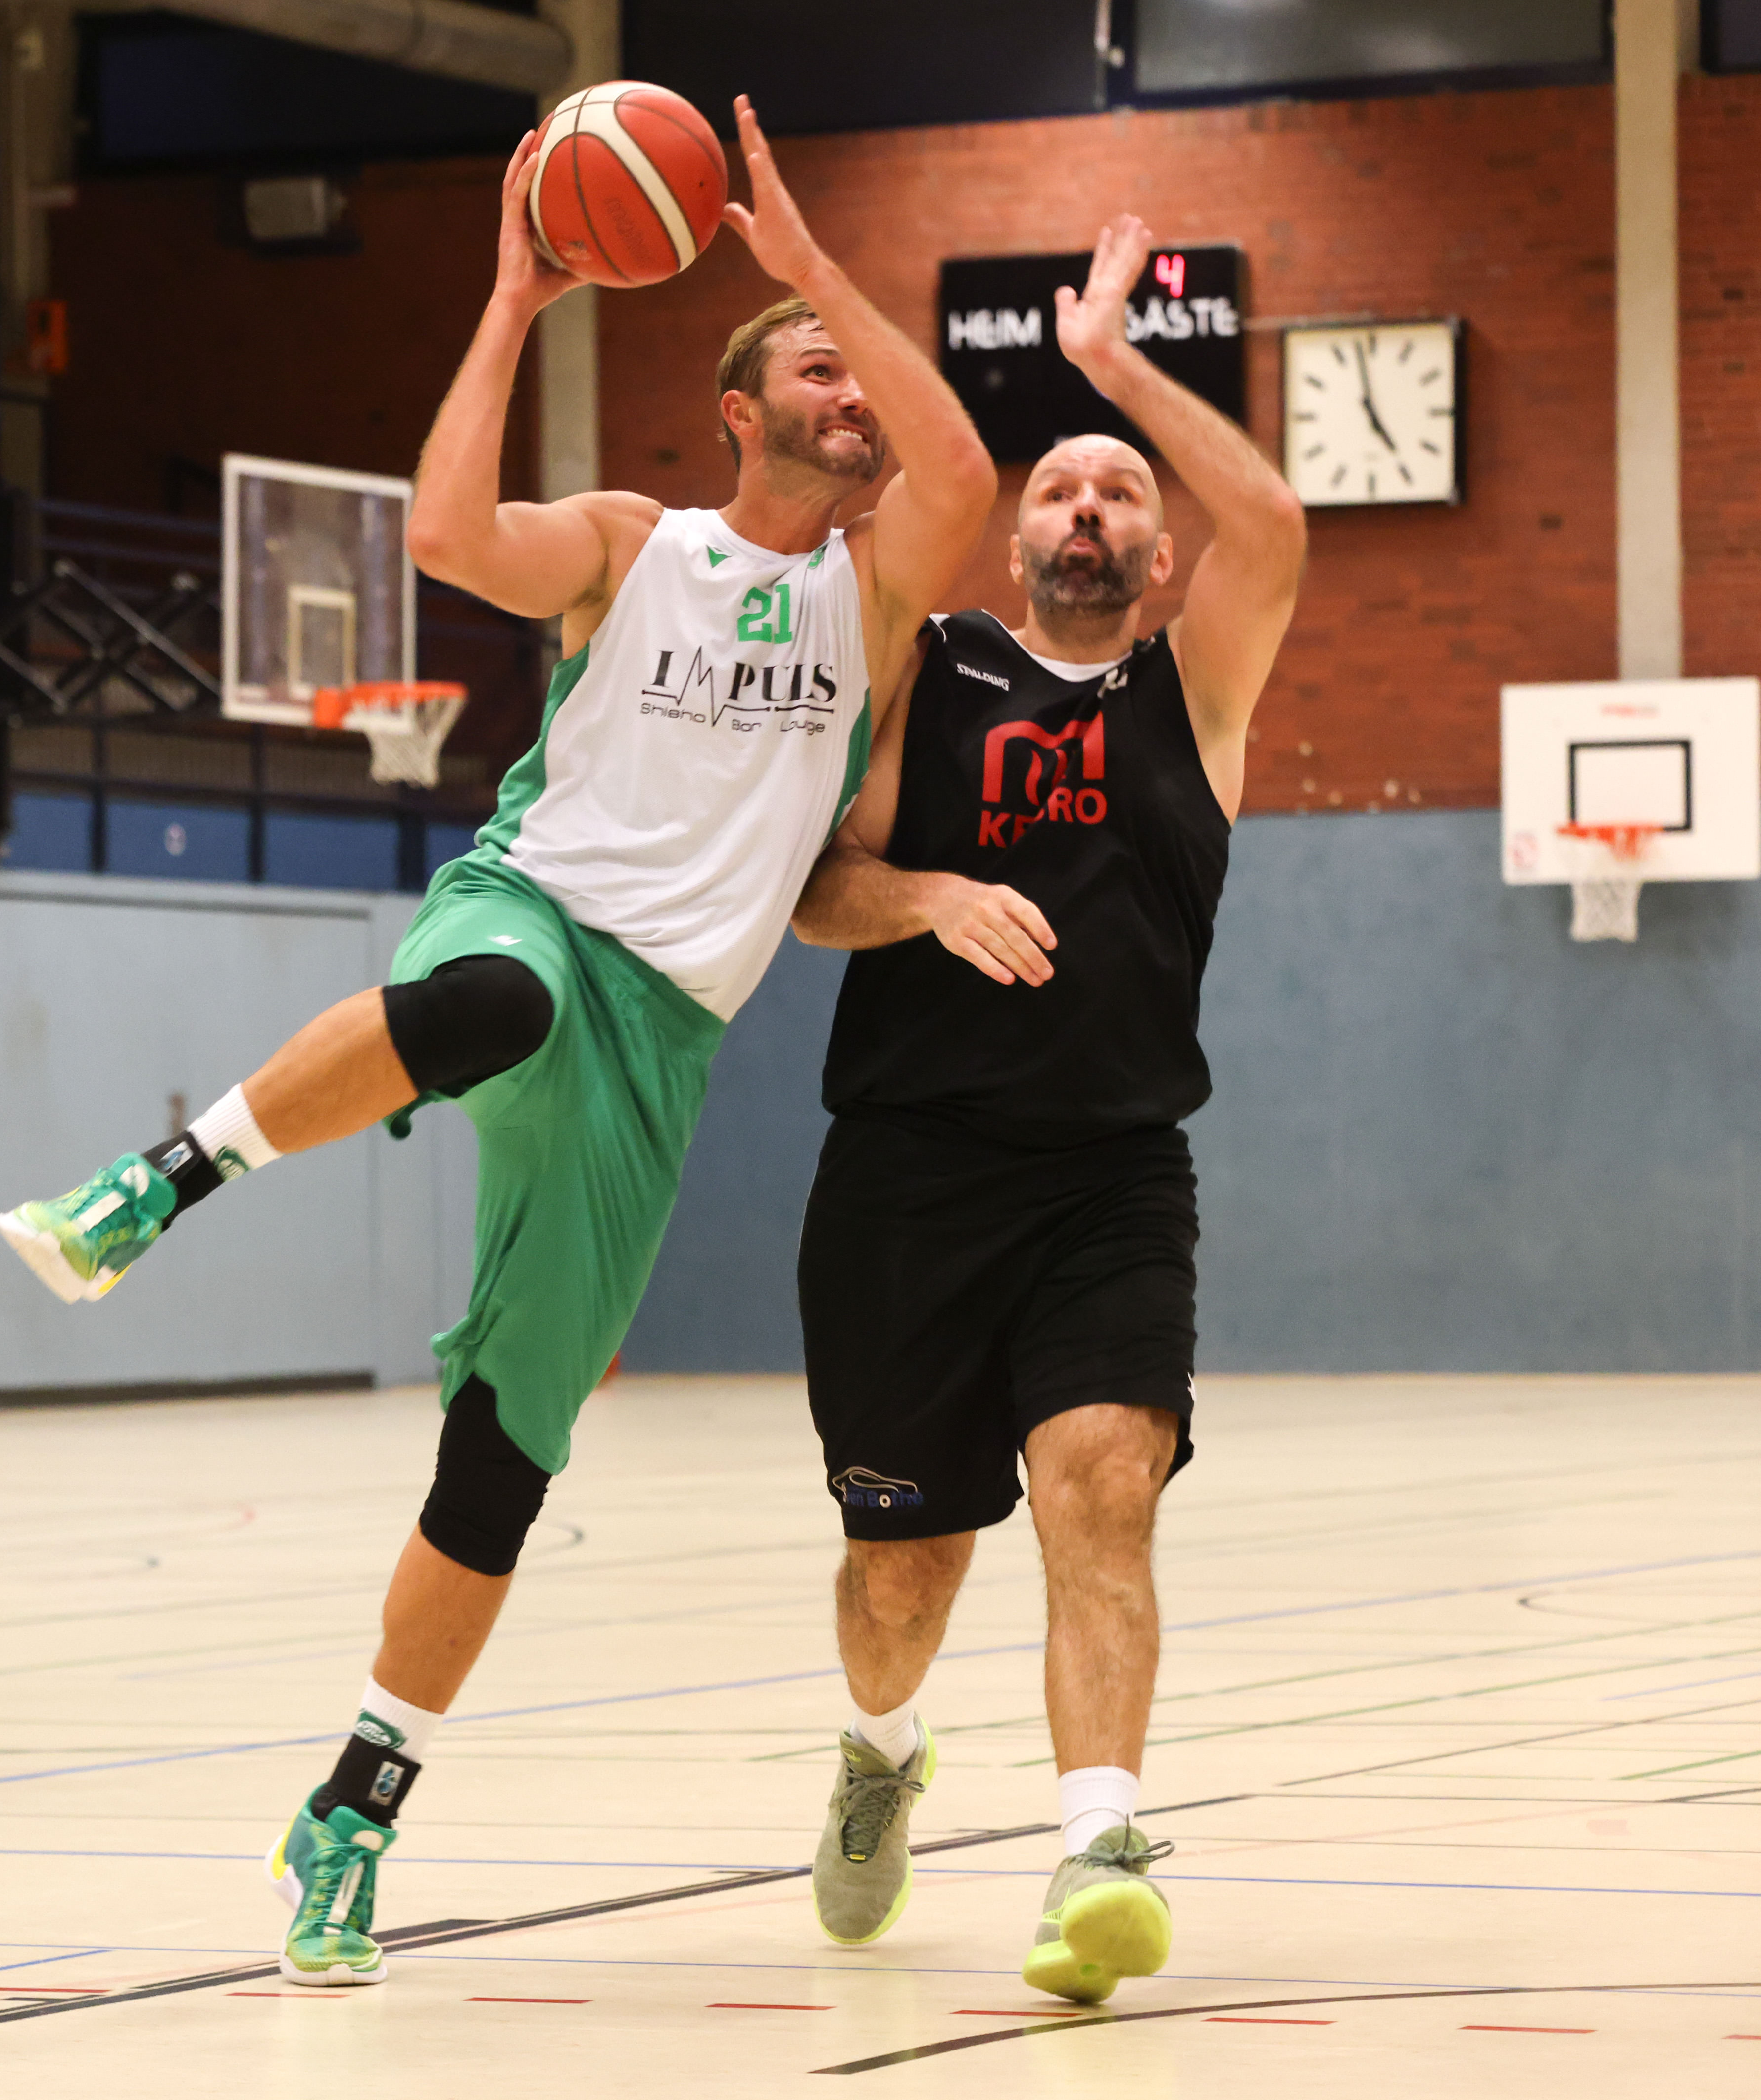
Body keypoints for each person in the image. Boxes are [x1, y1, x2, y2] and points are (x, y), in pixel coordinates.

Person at [0, 99, 993, 1987]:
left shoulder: (875, 598)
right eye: (815, 365)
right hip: (530, 909)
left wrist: (813, 268)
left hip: (664, 1042)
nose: (852, 387)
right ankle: (158, 1181)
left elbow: (964, 474)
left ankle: (350, 1811)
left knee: (503, 1461)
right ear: (736, 414)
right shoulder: (634, 546)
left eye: (859, 369)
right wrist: (515, 299)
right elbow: (449, 533)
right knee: (493, 999)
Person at [789, 216, 1306, 2002]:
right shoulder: (926, 671)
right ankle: (882, 1752)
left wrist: (1112, 367)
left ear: (1157, 550)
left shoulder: (1198, 692)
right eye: (1059, 490)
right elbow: (813, 893)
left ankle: (1098, 1850)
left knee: (1102, 1493)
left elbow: (1279, 523)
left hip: (1110, 1178)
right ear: (1016, 540)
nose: (1088, 507)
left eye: (1119, 492)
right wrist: (925, 898)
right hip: (907, 1174)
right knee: (902, 1575)